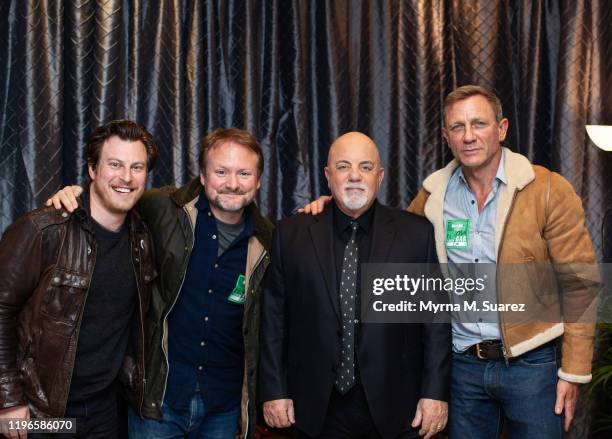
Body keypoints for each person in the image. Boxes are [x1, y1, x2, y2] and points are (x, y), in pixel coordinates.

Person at [302, 86, 598, 438]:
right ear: (446, 136)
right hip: (462, 368)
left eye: (479, 124)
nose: (469, 136)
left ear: (501, 129)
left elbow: (580, 281)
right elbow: (386, 237)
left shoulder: (546, 189)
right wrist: (337, 208)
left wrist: (573, 370)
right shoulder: (433, 195)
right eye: (457, 127)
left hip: (531, 366)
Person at [46, 128, 274, 439]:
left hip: (223, 406)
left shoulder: (269, 240)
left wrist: (329, 205)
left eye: (244, 173)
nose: (232, 183)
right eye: (221, 171)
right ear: (204, 176)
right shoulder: (163, 208)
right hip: (159, 400)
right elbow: (112, 199)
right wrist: (75, 194)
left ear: (259, 180)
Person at [259, 132, 451, 439]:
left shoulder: (416, 235)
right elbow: (273, 320)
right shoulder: (290, 234)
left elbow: (436, 323)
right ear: (327, 174)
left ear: (380, 175)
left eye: (365, 167)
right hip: (315, 409)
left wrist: (435, 393)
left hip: (396, 409)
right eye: (343, 166)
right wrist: (273, 390)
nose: (354, 177)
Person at [0, 119, 158, 438]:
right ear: (92, 169)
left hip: (105, 412)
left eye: (137, 167)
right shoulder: (43, 230)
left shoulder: (142, 238)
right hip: (39, 412)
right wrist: (7, 400)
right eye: (115, 164)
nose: (126, 177)